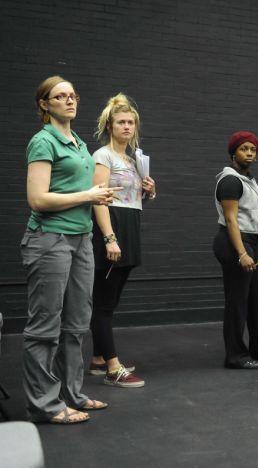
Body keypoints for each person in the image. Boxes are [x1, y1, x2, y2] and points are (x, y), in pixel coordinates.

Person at [21, 76, 115, 424]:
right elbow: (38, 199)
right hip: (49, 240)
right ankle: (44, 405)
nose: (70, 100)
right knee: (45, 327)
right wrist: (88, 195)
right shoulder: (42, 142)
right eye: (60, 96)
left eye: (73, 95)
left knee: (76, 324)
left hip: (81, 240)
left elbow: (92, 193)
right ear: (45, 105)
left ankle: (72, 393)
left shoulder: (77, 142)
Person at [88, 94, 156, 388]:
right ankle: (113, 369)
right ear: (110, 126)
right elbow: (98, 199)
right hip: (111, 226)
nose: (127, 127)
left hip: (130, 223)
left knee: (110, 300)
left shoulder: (133, 159)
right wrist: (109, 238)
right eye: (121, 122)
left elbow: (132, 198)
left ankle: (98, 360)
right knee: (103, 302)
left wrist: (149, 190)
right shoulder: (102, 156)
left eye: (131, 122)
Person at [214, 131, 258, 369]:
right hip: (234, 243)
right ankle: (235, 356)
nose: (250, 153)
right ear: (234, 153)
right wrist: (243, 253)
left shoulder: (249, 180)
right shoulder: (230, 180)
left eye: (253, 149)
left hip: (250, 243)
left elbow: (251, 218)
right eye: (244, 149)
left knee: (256, 299)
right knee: (237, 301)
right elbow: (232, 221)